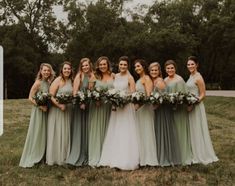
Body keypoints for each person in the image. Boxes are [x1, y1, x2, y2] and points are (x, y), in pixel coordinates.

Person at [98, 56, 140, 170]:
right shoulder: (114, 76)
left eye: (125, 65)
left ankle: (126, 159)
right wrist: (114, 101)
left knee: (125, 131)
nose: (122, 66)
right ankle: (113, 158)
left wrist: (123, 100)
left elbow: (133, 94)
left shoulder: (130, 78)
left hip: (126, 108)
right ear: (118, 65)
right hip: (116, 108)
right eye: (121, 64)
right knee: (115, 130)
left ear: (128, 66)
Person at [19, 63, 55, 167]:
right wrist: (40, 106)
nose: (47, 72)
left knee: (45, 133)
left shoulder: (49, 82)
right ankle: (35, 156)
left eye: (48, 70)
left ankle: (43, 156)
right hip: (38, 111)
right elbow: (30, 97)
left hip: (47, 111)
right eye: (45, 70)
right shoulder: (38, 83)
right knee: (38, 132)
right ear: (41, 71)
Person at [186, 56, 218, 164]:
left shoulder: (198, 77)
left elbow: (203, 94)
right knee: (192, 129)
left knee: (197, 128)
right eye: (188, 64)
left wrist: (194, 103)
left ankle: (201, 154)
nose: (190, 66)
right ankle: (193, 152)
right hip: (189, 106)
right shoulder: (191, 76)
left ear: (197, 65)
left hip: (196, 106)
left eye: (192, 64)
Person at [149, 62, 181, 166]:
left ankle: (165, 157)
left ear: (159, 71)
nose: (154, 72)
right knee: (159, 132)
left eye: (156, 70)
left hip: (162, 111)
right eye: (152, 70)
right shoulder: (154, 81)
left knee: (163, 132)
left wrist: (155, 105)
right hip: (158, 110)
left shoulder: (159, 81)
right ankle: (159, 156)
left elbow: (164, 97)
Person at [66, 58, 95, 166]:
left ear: (90, 65)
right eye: (83, 66)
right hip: (80, 106)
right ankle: (78, 153)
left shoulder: (93, 75)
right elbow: (74, 92)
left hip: (90, 105)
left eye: (87, 65)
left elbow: (92, 90)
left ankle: (88, 153)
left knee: (89, 128)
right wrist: (81, 101)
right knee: (80, 128)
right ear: (81, 67)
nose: (85, 67)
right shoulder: (79, 76)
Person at [164, 60, 193, 165]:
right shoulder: (165, 80)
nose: (170, 70)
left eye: (172, 68)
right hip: (169, 110)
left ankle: (183, 156)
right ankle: (174, 155)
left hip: (179, 110)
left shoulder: (179, 79)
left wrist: (182, 105)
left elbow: (184, 96)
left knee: (180, 131)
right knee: (172, 132)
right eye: (168, 68)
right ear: (165, 69)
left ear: (175, 68)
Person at [88, 56, 114, 167]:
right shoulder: (94, 76)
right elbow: (90, 91)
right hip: (98, 107)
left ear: (108, 64)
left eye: (105, 64)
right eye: (100, 64)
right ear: (98, 65)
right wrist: (96, 99)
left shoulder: (113, 76)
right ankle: (96, 157)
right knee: (97, 130)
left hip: (110, 107)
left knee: (109, 130)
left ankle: (107, 157)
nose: (102, 66)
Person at [46, 61, 73, 166]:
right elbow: (51, 95)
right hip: (57, 110)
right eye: (65, 68)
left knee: (66, 133)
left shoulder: (71, 80)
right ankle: (56, 157)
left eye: (69, 69)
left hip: (68, 110)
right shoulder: (58, 80)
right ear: (61, 70)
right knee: (57, 132)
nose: (67, 70)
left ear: (71, 70)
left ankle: (66, 155)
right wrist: (59, 105)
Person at [134, 59, 158, 166]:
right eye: (135, 67)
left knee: (146, 132)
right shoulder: (139, 79)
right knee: (140, 132)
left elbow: (148, 96)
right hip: (139, 110)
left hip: (145, 109)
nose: (137, 68)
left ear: (143, 67)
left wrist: (138, 106)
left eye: (138, 66)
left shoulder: (147, 78)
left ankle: (149, 159)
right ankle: (141, 157)